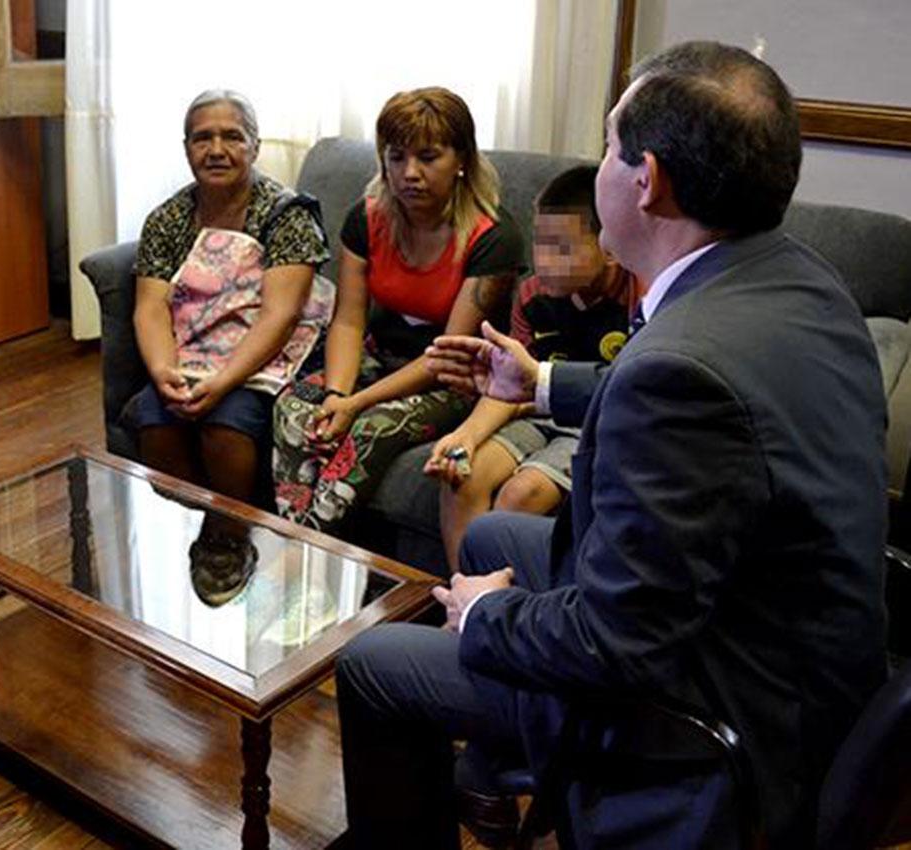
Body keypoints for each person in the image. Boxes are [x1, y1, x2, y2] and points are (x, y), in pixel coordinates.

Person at [336, 41, 888, 849]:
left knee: (376, 662)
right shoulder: (800, 279)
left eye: (605, 147)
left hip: (719, 710)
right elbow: (725, 412)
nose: (596, 167)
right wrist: (541, 383)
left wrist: (489, 612)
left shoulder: (681, 368)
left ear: (647, 179)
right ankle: (499, 768)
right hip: (797, 639)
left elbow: (614, 642)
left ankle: (507, 767)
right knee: (491, 532)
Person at [272, 87, 526, 537]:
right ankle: (295, 542)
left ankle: (306, 550)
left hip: (454, 376)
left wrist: (356, 403)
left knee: (371, 428)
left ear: (462, 158)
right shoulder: (365, 218)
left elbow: (448, 354)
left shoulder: (493, 236)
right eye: (396, 157)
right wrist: (335, 394)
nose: (410, 173)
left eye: (429, 157)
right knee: (294, 409)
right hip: (380, 353)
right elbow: (349, 320)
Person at [423, 166, 640, 571]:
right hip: (533, 414)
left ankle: (502, 612)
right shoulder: (531, 296)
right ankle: (463, 603)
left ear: (609, 247)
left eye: (561, 248)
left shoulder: (636, 298)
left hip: (591, 425)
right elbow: (511, 388)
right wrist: (465, 437)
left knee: (520, 493)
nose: (542, 261)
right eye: (539, 242)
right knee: (460, 475)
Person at [131, 88, 332, 506]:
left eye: (232, 137)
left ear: (255, 147)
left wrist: (223, 382)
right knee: (152, 416)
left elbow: (281, 315)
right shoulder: (168, 219)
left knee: (227, 424)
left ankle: (231, 534)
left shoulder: (287, 214)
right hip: (193, 354)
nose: (216, 150)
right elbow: (150, 306)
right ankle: (188, 522)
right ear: (186, 148)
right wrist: (163, 371)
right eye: (203, 138)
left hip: (266, 358)